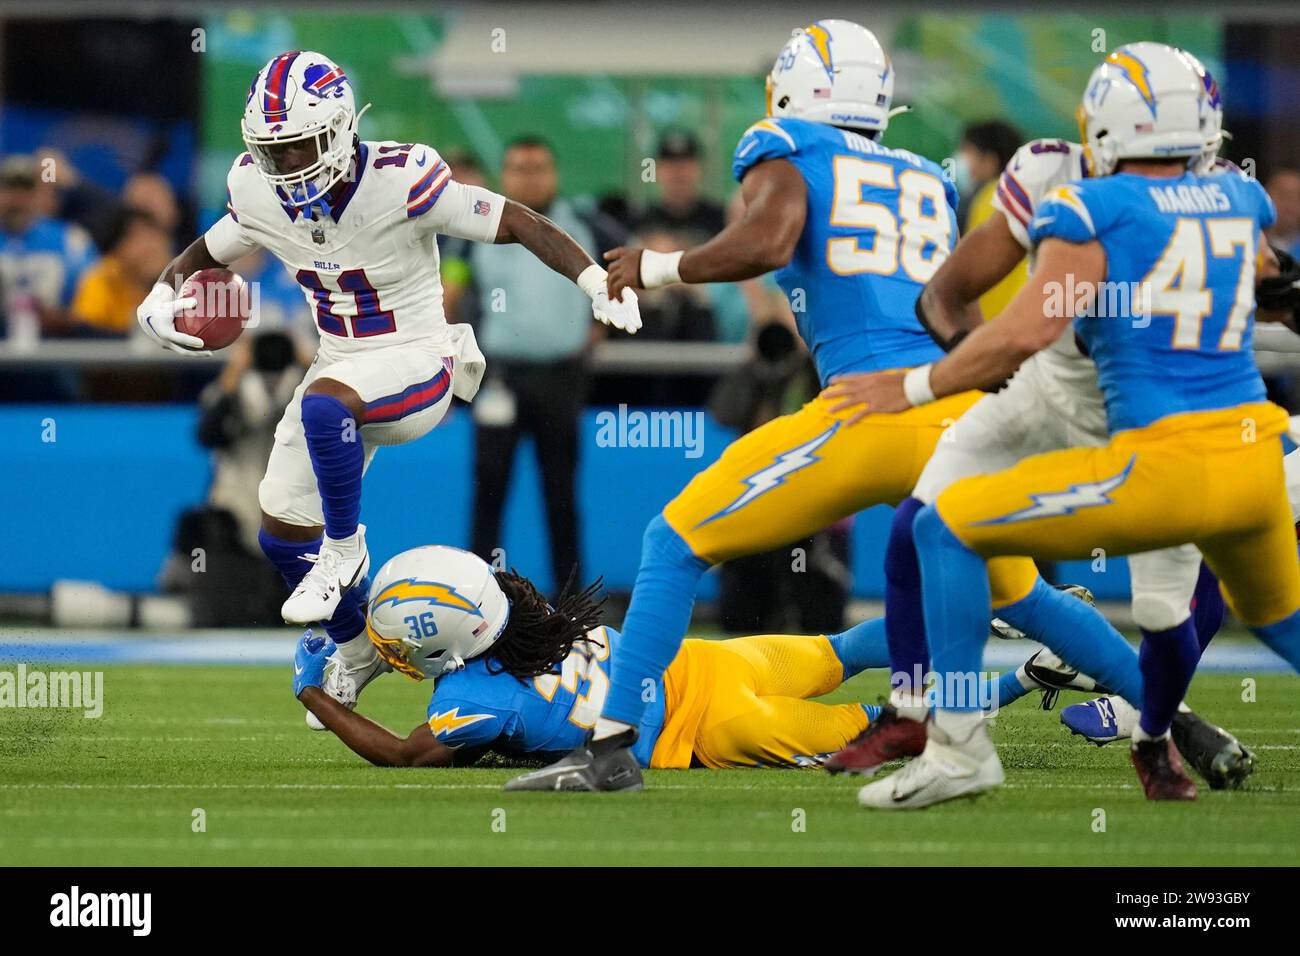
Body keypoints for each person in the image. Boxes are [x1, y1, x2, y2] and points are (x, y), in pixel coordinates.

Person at [506, 19, 994, 792]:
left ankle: (610, 747)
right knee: (1012, 591)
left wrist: (658, 266)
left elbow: (769, 241)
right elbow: (949, 304)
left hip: (867, 407)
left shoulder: (788, 145)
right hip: (952, 404)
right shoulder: (927, 177)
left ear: (792, 91)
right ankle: (1161, 722)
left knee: (673, 541)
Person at [838, 44, 1300, 806]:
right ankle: (920, 715)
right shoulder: (1238, 201)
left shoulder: (1096, 206)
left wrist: (917, 386)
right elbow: (1266, 282)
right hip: (1208, 438)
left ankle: (1099, 740)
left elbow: (1026, 323)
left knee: (972, 539)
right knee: (1270, 619)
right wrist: (976, 365)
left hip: (1148, 445)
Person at [136, 52, 641, 727]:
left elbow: (518, 220)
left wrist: (590, 280)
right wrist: (162, 295)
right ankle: (355, 651)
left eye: (300, 148)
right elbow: (206, 250)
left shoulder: (402, 179)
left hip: (419, 360)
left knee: (325, 408)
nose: (287, 167)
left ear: (342, 129)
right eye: (272, 152)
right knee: (283, 530)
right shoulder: (259, 190)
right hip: (341, 360)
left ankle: (345, 552)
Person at [294, 545, 895, 773]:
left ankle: (985, 692)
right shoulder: (527, 611)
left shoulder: (472, 699)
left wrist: (311, 691)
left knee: (885, 728)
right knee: (841, 652)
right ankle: (973, 621)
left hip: (703, 731)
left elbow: (403, 754)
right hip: (705, 664)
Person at [467, 136, 604, 590]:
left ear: (555, 174)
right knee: (489, 492)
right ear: (503, 175)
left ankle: (572, 605)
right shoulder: (475, 228)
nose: (529, 177)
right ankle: (475, 601)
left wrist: (599, 325)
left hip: (560, 377)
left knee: (561, 496)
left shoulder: (584, 225)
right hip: (498, 376)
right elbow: (446, 290)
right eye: (519, 168)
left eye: (538, 168)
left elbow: (626, 272)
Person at [0, 154, 96, 343]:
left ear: (40, 195)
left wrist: (64, 316)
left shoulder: (71, 239)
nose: (18, 199)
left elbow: (89, 298)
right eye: (10, 189)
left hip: (55, 345)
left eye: (27, 190)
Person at [71, 207, 172, 336]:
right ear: (115, 250)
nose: (150, 246)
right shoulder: (102, 279)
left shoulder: (183, 278)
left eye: (154, 235)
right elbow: (87, 330)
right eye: (137, 238)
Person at [634, 130, 725, 249]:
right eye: (670, 165)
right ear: (656, 170)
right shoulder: (641, 221)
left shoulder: (719, 219)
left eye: (684, 165)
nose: (678, 172)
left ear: (698, 168)